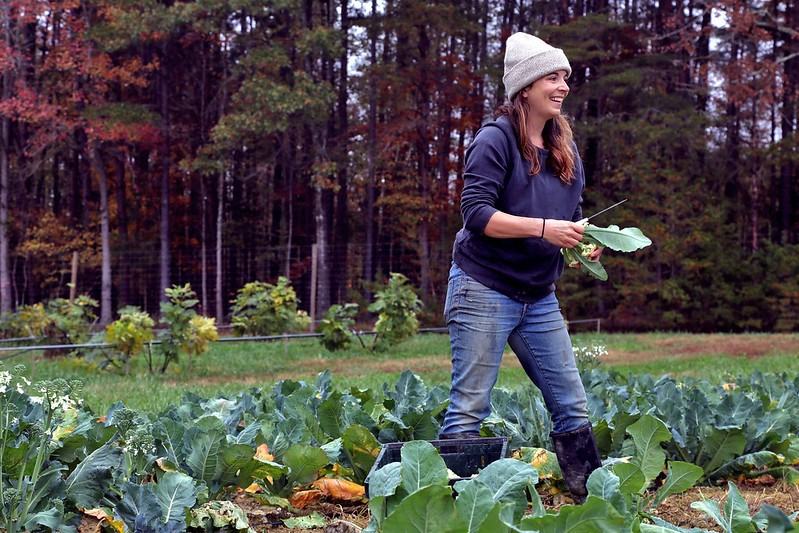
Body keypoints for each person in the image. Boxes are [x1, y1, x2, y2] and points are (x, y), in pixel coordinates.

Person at [438, 32, 603, 503]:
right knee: (470, 405)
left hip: (538, 295)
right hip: (483, 287)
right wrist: (544, 228)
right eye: (552, 76)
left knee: (570, 399)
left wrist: (578, 241)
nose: (563, 86)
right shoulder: (494, 141)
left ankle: (592, 501)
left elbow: (563, 219)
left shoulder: (563, 148)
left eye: (565, 77)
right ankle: (452, 506)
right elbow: (477, 214)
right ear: (525, 86)